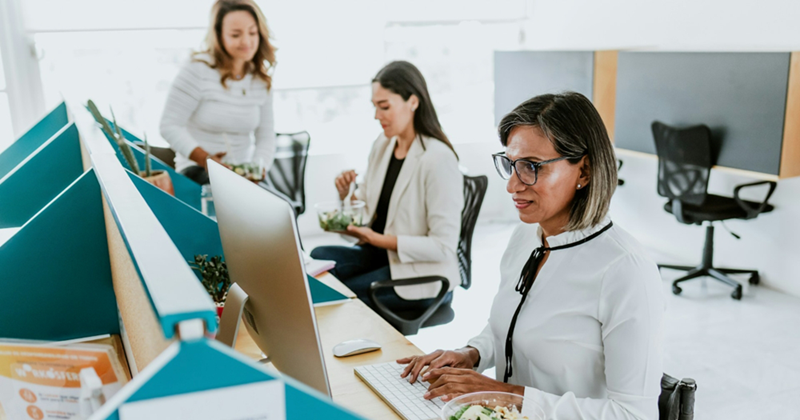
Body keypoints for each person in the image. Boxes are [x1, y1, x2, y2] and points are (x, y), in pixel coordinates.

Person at [397, 92, 664, 420]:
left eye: (531, 167)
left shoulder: (625, 271)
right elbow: (512, 327)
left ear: (584, 172)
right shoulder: (525, 238)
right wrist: (472, 354)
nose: (512, 185)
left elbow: (634, 414)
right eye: (511, 164)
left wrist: (503, 394)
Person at [310, 61, 463, 313]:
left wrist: (378, 239)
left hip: (421, 274)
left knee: (335, 295)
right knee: (318, 258)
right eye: (374, 107)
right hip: (380, 255)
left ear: (413, 102)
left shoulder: (438, 159)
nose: (376, 116)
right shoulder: (383, 144)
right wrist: (346, 196)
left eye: (384, 107)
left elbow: (443, 247)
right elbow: (367, 212)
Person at [160, 0, 276, 185]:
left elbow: (266, 136)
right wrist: (206, 159)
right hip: (198, 171)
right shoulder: (197, 70)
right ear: (219, 35)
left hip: (243, 174)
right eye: (235, 34)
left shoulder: (260, 79)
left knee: (280, 207)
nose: (246, 41)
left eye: (252, 32)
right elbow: (169, 126)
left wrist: (258, 168)